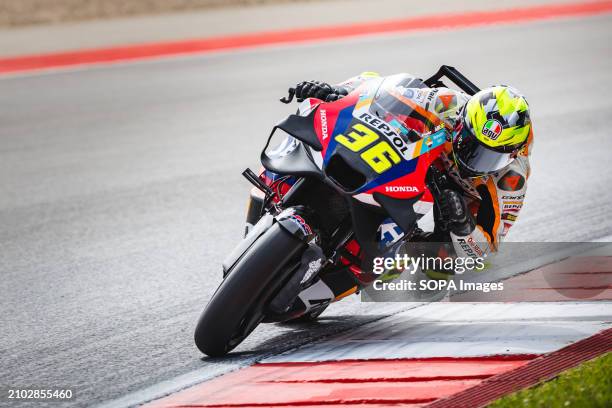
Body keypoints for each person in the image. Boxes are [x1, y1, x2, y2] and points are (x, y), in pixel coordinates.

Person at [291, 72, 533, 279]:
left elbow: (485, 250)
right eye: (470, 143)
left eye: (490, 156)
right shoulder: (449, 104)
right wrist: (337, 91)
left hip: (453, 196)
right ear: (462, 122)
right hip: (420, 157)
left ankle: (360, 265)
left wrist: (463, 225)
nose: (474, 159)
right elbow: (380, 89)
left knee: (441, 265)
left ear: (513, 154)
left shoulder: (511, 181)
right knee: (388, 82)